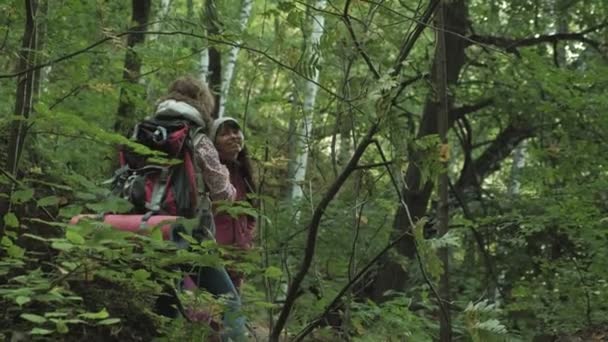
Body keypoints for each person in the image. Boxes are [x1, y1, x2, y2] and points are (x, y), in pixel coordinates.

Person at [153, 77, 247, 341]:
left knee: (167, 302)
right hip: (187, 232)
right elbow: (225, 195)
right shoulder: (196, 137)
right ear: (202, 102)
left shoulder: (145, 130)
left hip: (146, 227)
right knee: (231, 303)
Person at [209, 117, 257, 291]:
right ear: (214, 142)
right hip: (213, 255)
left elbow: (252, 214)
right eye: (224, 134)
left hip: (238, 257)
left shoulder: (245, 173)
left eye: (236, 132)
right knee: (206, 309)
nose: (233, 137)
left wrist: (247, 240)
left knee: (231, 308)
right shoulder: (211, 172)